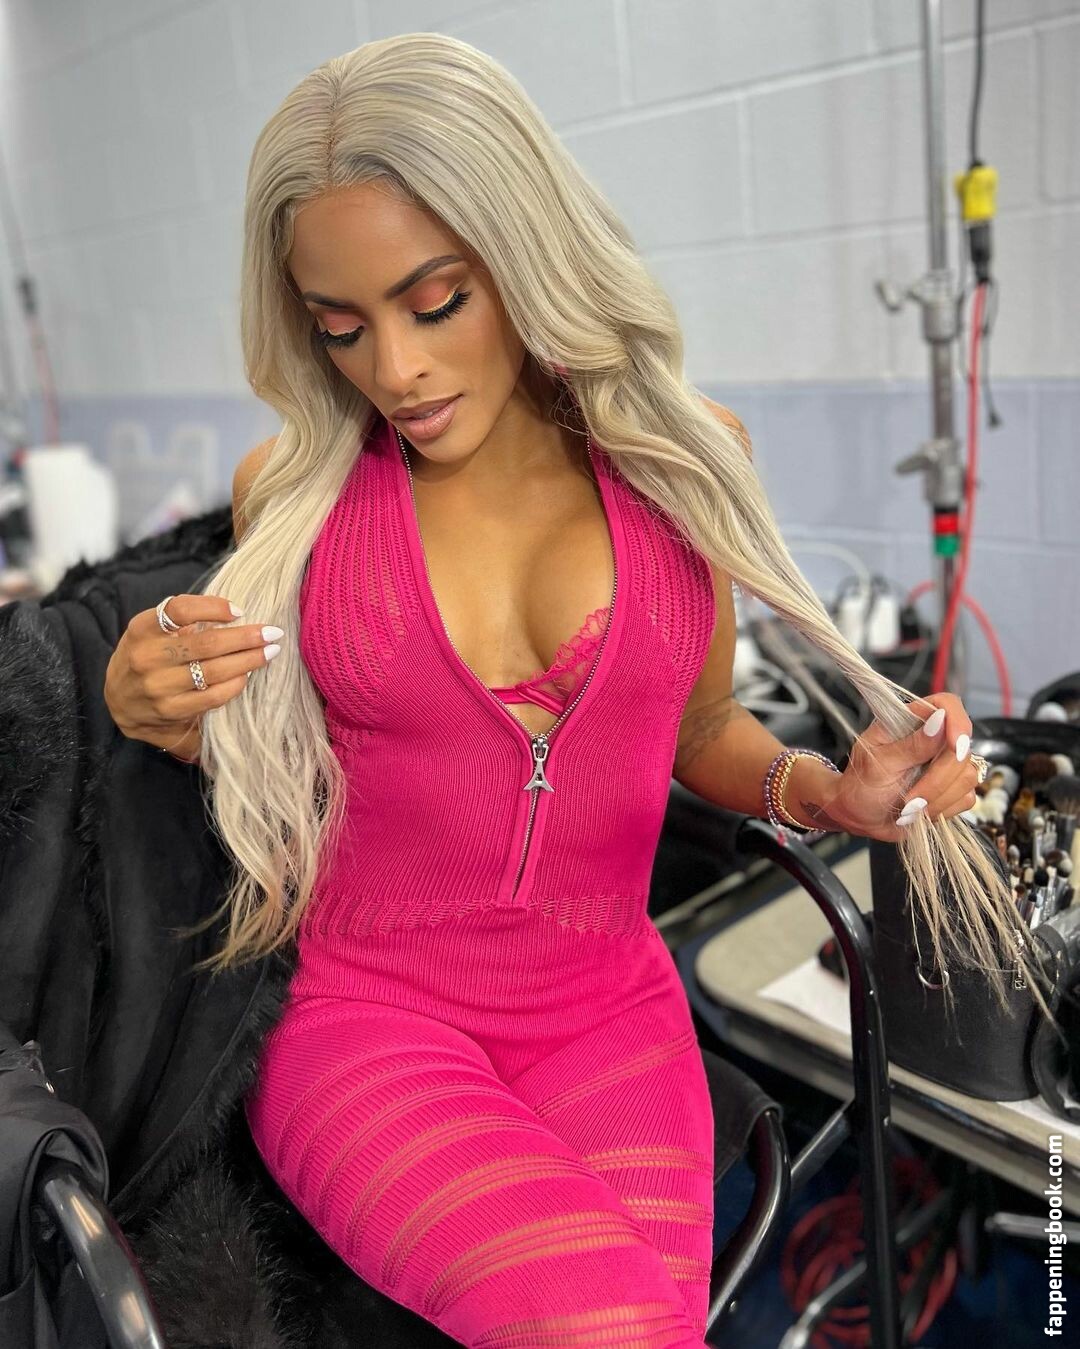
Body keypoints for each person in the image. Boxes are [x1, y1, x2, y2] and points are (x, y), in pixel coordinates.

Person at [103, 33, 1028, 1348]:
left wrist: (829, 792)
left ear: (526, 251)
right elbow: (263, 759)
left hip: (611, 1018)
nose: (393, 371)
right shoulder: (296, 495)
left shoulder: (685, 463)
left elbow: (700, 729)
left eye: (436, 303)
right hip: (367, 1021)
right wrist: (149, 712)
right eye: (342, 327)